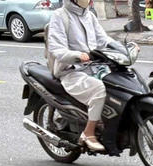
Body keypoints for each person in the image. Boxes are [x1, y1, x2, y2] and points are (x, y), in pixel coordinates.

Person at [46, 0, 112, 152]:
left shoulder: (89, 16)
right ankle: (88, 133)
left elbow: (103, 40)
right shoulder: (59, 16)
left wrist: (123, 48)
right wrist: (77, 55)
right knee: (99, 89)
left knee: (117, 85)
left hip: (94, 67)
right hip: (71, 70)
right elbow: (57, 48)